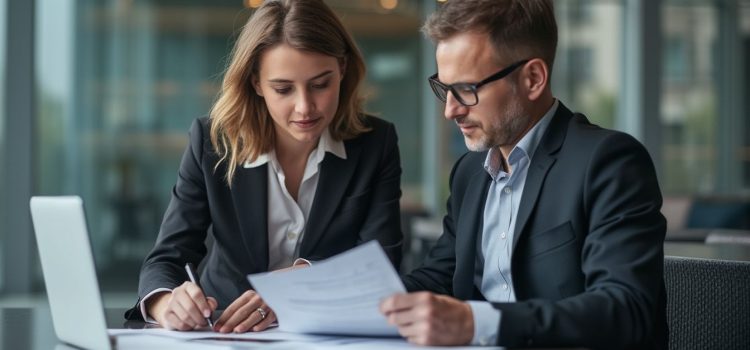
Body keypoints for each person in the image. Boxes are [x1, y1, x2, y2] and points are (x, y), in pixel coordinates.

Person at [379, 1, 667, 349]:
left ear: (533, 79)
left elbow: (625, 309)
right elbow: (439, 277)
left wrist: (480, 323)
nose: (450, 110)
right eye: (444, 88)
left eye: (467, 90)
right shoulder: (470, 172)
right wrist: (350, 300)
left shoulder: (609, 162)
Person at [124, 0, 403, 334]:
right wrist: (167, 303)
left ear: (342, 69)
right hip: (226, 333)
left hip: (328, 335)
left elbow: (381, 263)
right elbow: (167, 257)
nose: (305, 107)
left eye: (320, 84)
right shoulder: (212, 143)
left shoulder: (375, 143)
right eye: (283, 89)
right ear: (256, 82)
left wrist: (300, 282)